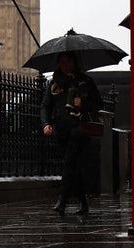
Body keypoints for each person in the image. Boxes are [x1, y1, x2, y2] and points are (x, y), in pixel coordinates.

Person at [41, 51, 102, 215]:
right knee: (74, 166)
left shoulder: (86, 81)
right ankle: (83, 203)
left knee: (69, 164)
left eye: (68, 61)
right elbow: (46, 106)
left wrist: (83, 103)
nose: (65, 65)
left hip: (79, 130)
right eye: (62, 62)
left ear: (74, 63)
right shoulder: (54, 83)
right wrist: (46, 124)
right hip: (61, 130)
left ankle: (62, 200)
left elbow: (98, 104)